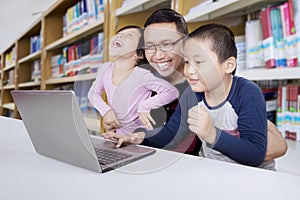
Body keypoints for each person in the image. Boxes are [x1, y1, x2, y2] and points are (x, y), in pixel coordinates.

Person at [103, 9, 287, 161]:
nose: (157, 55)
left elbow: (271, 145)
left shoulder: (219, 87)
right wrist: (130, 134)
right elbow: (168, 134)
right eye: (150, 46)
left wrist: (212, 133)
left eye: (166, 44)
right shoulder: (149, 82)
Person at [88, 25, 179, 134]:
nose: (119, 37)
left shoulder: (141, 75)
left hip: (140, 140)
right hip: (117, 136)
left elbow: (172, 92)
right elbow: (93, 93)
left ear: (139, 53)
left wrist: (144, 106)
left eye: (129, 36)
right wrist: (106, 111)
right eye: (118, 35)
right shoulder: (105, 68)